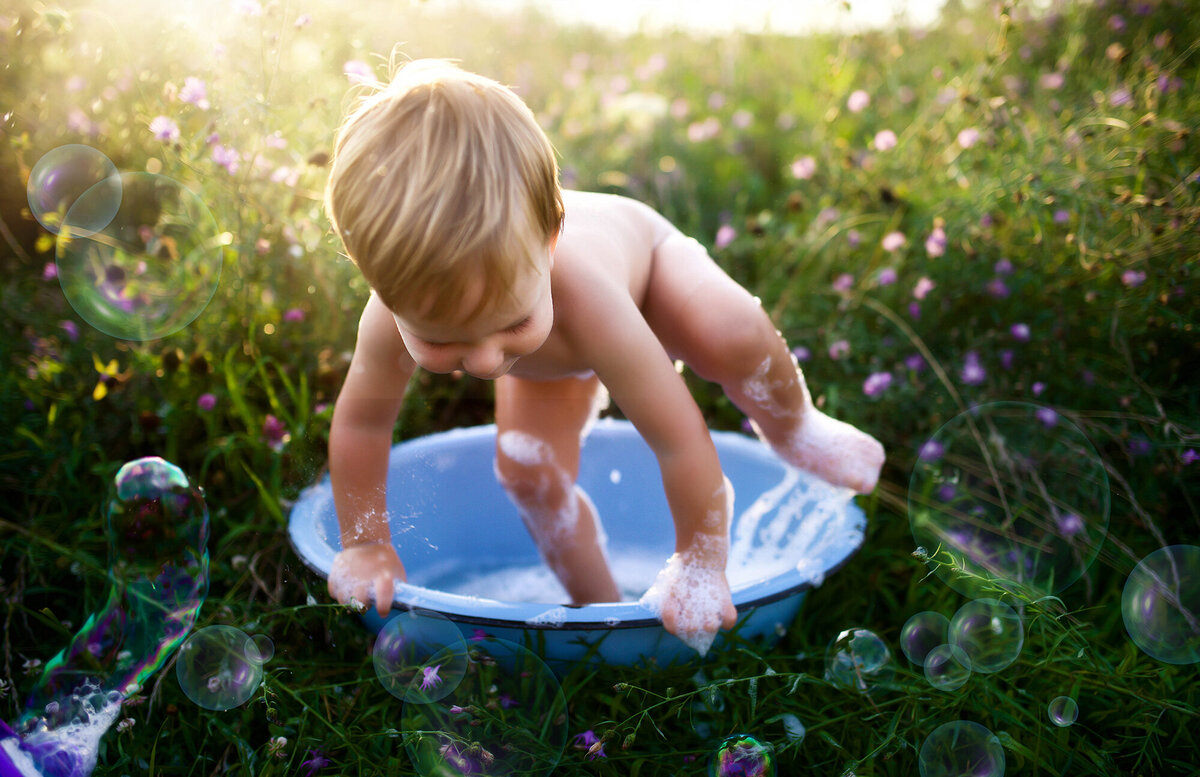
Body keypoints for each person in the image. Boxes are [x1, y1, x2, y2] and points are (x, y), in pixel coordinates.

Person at [322, 58, 885, 653]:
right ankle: (601, 614)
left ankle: (795, 423)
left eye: (511, 322)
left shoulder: (586, 295)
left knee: (731, 330)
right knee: (529, 474)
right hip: (553, 353)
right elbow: (363, 421)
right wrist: (365, 543)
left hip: (650, 278)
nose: (485, 363)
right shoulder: (394, 314)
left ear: (550, 239)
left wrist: (700, 559)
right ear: (377, 286)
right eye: (441, 340)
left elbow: (677, 437)